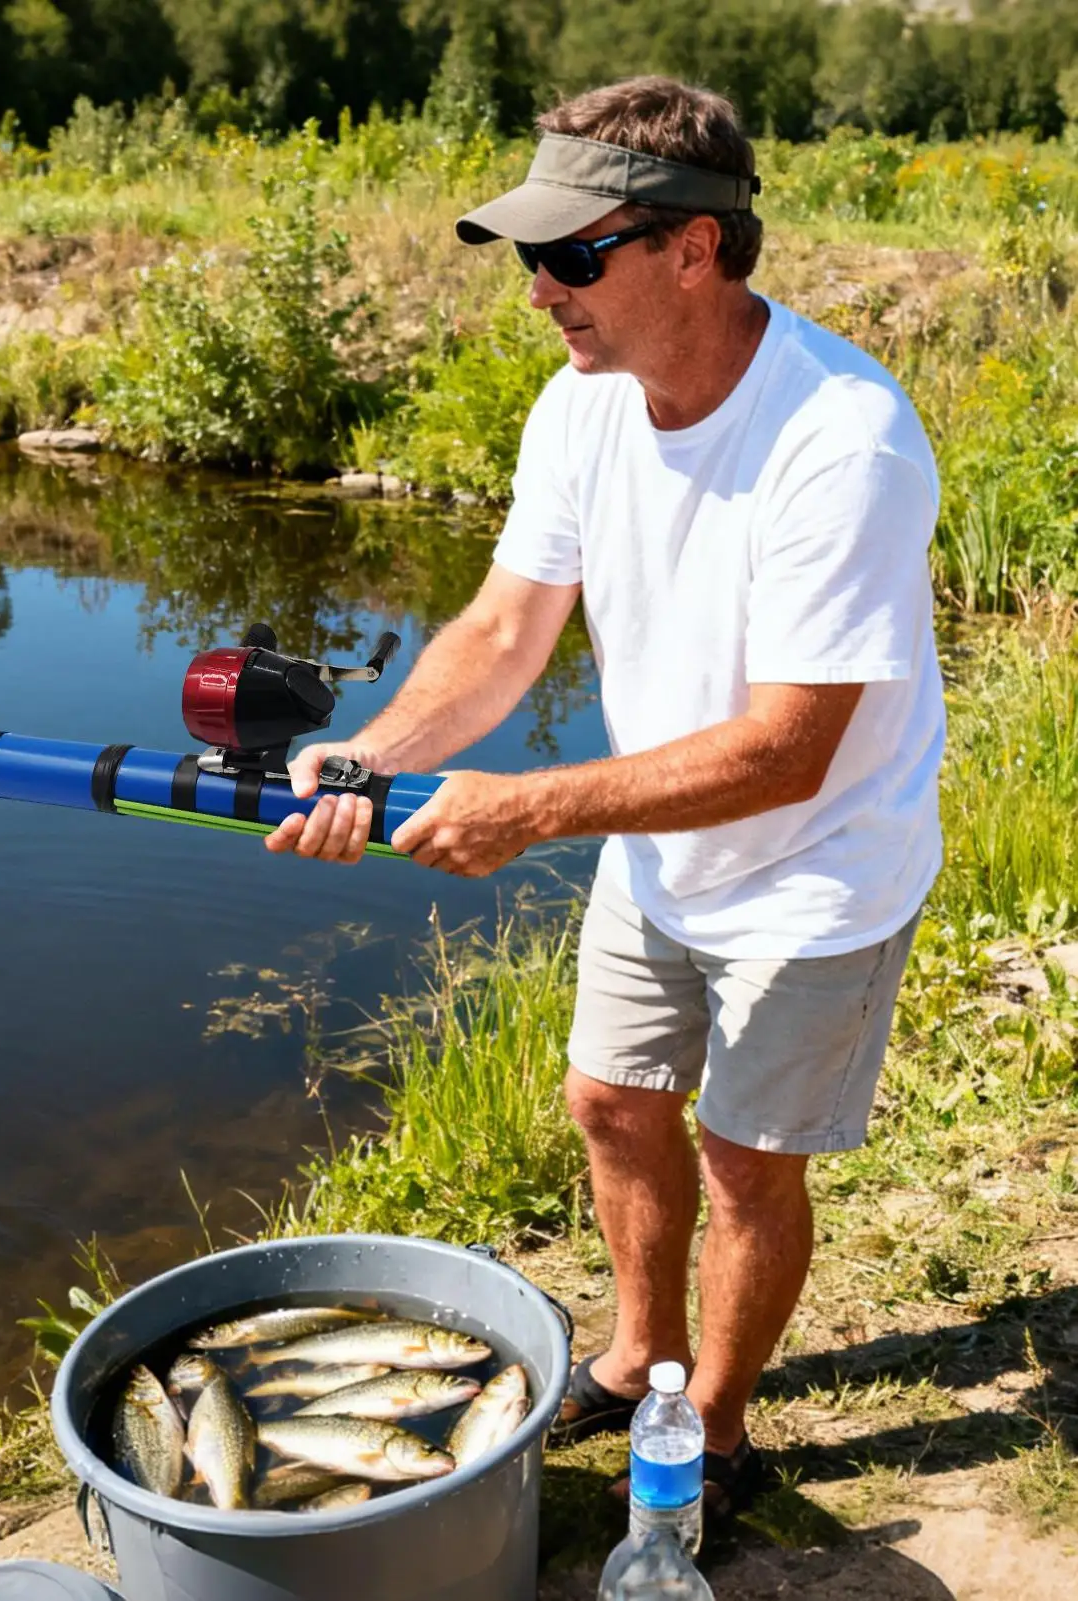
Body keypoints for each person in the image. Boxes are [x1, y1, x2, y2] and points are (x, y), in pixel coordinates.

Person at [265, 75, 945, 1517]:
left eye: (572, 255)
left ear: (694, 248)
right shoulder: (583, 405)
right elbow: (506, 629)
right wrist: (375, 753)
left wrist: (526, 809)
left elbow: (789, 751)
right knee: (611, 1103)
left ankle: (718, 1429)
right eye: (531, 255)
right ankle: (641, 1361)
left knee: (747, 1163)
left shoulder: (844, 439)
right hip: (661, 843)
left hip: (821, 861)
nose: (539, 293)